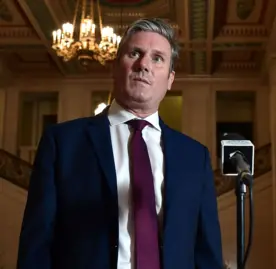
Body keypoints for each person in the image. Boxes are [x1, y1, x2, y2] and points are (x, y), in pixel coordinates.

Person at [17, 18, 223, 269]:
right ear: (114, 67)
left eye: (157, 58)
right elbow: (37, 245)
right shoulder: (62, 143)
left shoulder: (195, 156)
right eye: (135, 53)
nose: (143, 64)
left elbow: (207, 252)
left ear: (170, 79)